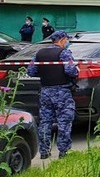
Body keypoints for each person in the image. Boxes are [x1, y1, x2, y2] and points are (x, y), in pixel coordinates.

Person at [27, 30, 79, 159]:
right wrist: (76, 69)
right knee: (64, 122)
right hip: (62, 92)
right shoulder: (64, 53)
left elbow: (31, 71)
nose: (68, 42)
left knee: (45, 122)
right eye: (67, 39)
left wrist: (46, 72)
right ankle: (64, 152)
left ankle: (44, 152)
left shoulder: (39, 53)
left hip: (45, 92)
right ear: (62, 39)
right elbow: (71, 71)